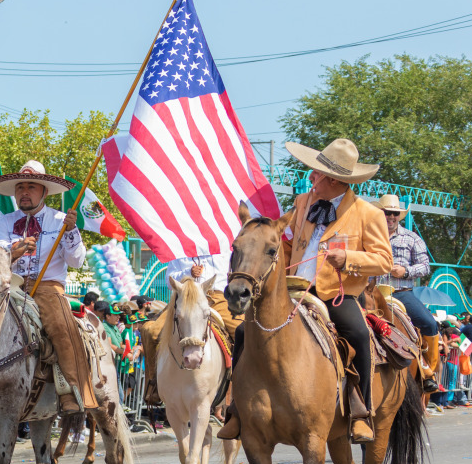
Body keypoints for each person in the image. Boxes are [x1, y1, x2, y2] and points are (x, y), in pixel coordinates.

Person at [220, 139, 392, 443]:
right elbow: (288, 245)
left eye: (316, 173)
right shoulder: (303, 203)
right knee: (245, 332)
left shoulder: (369, 214)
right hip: (292, 290)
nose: (311, 177)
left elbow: (384, 260)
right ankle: (237, 409)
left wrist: (349, 258)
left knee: (358, 335)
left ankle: (360, 414)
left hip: (335, 295)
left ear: (334, 180)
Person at [0, 160, 91, 414]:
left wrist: (71, 231)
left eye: (31, 187)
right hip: (11, 285)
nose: (24, 191)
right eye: (20, 187)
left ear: (44, 191)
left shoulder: (60, 219)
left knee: (60, 324)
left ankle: (72, 391)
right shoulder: (5, 220)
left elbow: (77, 261)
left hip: (48, 286)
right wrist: (15, 251)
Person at [140, 253, 240, 406]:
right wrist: (189, 274)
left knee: (244, 331)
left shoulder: (223, 242)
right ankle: (153, 386)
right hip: (185, 297)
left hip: (217, 296)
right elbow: (169, 279)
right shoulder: (180, 245)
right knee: (151, 332)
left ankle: (245, 388)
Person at [376, 194, 441, 393]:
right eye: (387, 213)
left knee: (429, 323)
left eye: (395, 213)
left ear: (399, 216)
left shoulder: (411, 237)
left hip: (401, 293)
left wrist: (406, 271)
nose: (391, 217)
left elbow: (425, 266)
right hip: (371, 294)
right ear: (380, 213)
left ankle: (428, 372)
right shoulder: (369, 235)